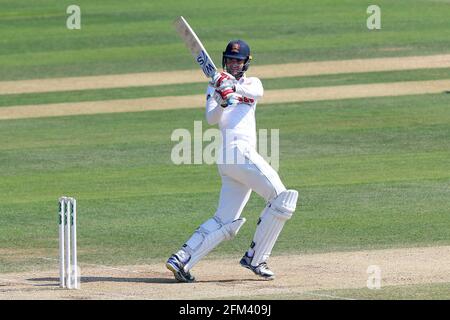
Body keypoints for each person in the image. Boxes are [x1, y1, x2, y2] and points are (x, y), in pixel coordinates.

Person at [166, 39, 298, 282]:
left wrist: (231, 88)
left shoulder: (252, 83)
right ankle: (255, 259)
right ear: (224, 59)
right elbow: (211, 118)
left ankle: (181, 259)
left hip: (234, 160)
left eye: (238, 61)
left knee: (224, 219)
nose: (234, 64)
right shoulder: (213, 86)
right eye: (230, 59)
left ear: (246, 63)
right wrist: (221, 99)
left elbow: (258, 92)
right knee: (283, 198)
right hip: (235, 153)